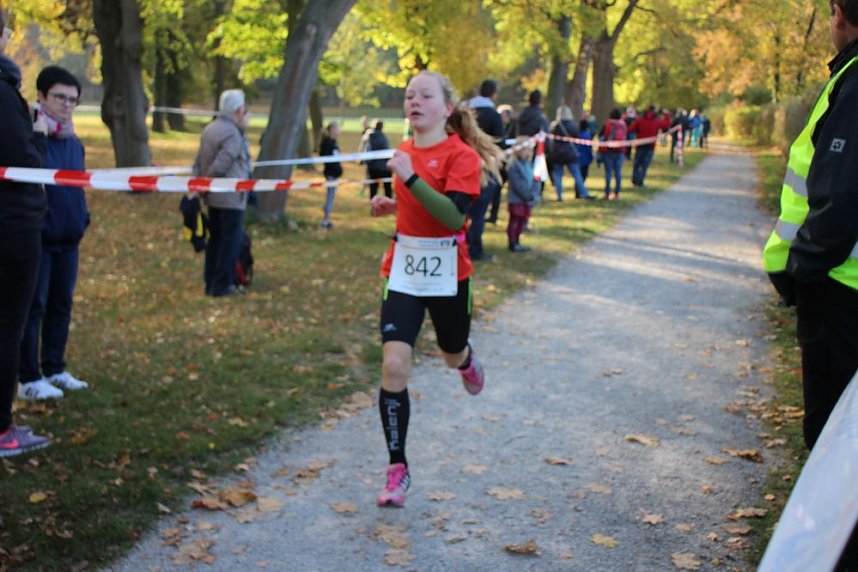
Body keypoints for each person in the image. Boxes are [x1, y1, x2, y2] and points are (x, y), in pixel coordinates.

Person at [369, 70, 502, 508]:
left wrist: (406, 182)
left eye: (425, 95)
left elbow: (451, 217)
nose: (414, 101)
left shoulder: (461, 157)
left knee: (450, 350)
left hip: (448, 271)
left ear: (446, 108)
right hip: (404, 267)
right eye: (408, 95)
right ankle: (397, 468)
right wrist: (394, 205)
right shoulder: (404, 151)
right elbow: (418, 210)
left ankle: (465, 359)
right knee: (393, 363)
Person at [763, 1, 858, 568]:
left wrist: (803, 270)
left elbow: (840, 197)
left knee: (834, 445)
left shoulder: (854, 83)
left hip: (840, 290)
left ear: (840, 14)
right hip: (840, 284)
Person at [17, 66, 89, 401]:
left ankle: (55, 367)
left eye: (73, 99)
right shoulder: (30, 137)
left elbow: (79, 185)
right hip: (39, 237)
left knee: (62, 304)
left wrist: (82, 218)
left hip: (69, 238)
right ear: (42, 96)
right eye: (60, 97)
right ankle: (28, 376)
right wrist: (38, 136)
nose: (66, 104)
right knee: (35, 307)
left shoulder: (74, 142)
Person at [0, 6, 52, 456]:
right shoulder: (2, 92)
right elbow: (22, 162)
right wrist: (36, 133)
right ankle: (2, 429)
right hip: (12, 225)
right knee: (8, 326)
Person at [193, 88, 251, 297]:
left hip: (213, 198)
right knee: (229, 242)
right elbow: (223, 161)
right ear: (237, 110)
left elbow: (199, 160)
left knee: (215, 241)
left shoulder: (210, 129)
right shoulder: (232, 133)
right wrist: (208, 180)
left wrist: (201, 184)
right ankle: (223, 284)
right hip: (230, 197)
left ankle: (211, 282)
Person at [466, 79, 504, 261]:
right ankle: (475, 249)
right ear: (493, 93)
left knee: (464, 208)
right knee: (479, 211)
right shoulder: (493, 116)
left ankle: (463, 244)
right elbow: (499, 143)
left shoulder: (467, 112)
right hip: (484, 167)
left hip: (463, 165)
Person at [548, 105, 591, 200]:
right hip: (570, 153)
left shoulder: (555, 126)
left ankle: (559, 195)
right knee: (577, 174)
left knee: (558, 175)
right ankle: (583, 193)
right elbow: (577, 137)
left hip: (558, 154)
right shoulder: (573, 125)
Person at [506, 138, 538, 252]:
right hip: (517, 199)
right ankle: (512, 242)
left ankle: (517, 240)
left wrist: (533, 194)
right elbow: (517, 183)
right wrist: (526, 195)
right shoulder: (513, 165)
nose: (526, 152)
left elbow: (534, 179)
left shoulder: (528, 163)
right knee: (515, 221)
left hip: (527, 199)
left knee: (522, 222)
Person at [628, 104, 671, 188]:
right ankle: (640, 181)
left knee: (637, 164)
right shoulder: (657, 121)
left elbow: (631, 129)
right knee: (645, 165)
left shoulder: (640, 120)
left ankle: (634, 180)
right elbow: (667, 123)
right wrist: (666, 114)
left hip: (640, 145)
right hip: (650, 146)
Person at [318, 121, 342, 229]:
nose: (339, 131)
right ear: (332, 130)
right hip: (330, 174)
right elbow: (328, 160)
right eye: (337, 128)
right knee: (330, 197)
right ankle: (325, 220)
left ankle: (326, 217)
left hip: (334, 174)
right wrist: (335, 169)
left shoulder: (333, 142)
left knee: (331, 196)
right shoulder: (328, 143)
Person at [600, 108, 628, 200]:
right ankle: (617, 193)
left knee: (608, 173)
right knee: (618, 173)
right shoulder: (623, 125)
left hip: (609, 151)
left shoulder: (607, 124)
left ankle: (607, 193)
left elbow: (602, 136)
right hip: (620, 151)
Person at [365, 120, 393, 199]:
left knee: (373, 189)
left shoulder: (370, 137)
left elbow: (368, 151)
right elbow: (387, 152)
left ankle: (373, 205)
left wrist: (368, 164)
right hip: (385, 168)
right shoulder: (384, 137)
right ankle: (388, 202)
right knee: (387, 188)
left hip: (373, 168)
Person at [576, 118, 595, 182]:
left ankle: (578, 188)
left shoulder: (577, 135)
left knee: (578, 175)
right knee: (583, 175)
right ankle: (580, 188)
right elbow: (589, 149)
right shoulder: (588, 136)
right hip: (585, 160)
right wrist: (591, 157)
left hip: (577, 159)